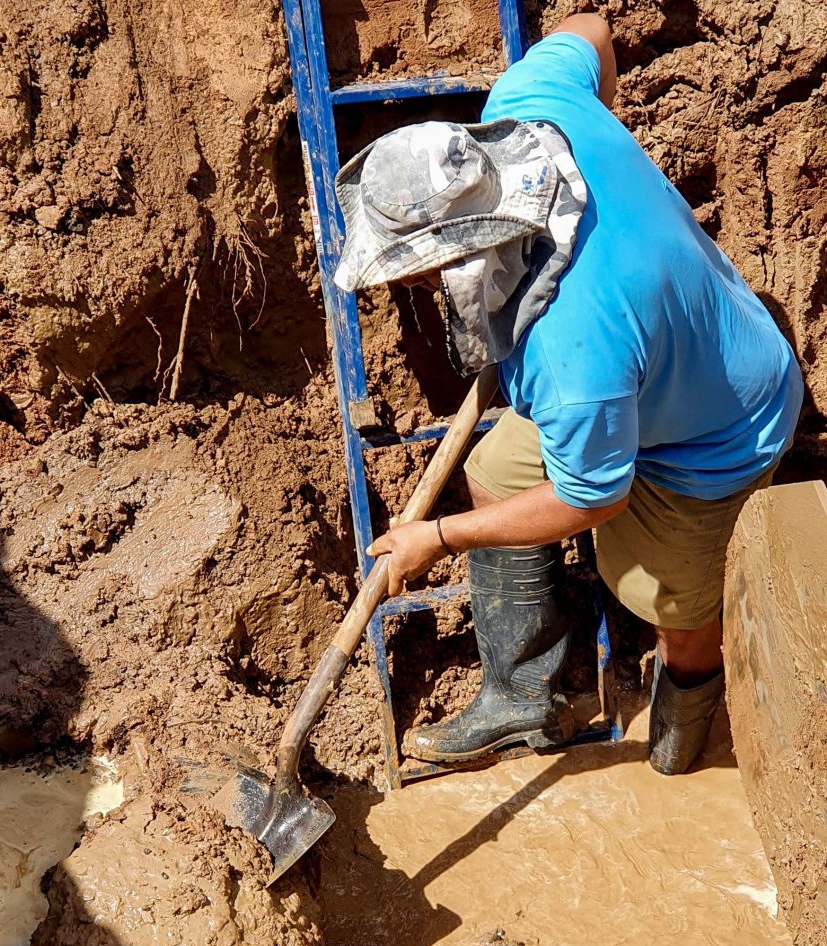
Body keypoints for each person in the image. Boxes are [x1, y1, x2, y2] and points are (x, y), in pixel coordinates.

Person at [331, 14, 803, 774]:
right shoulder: (535, 99)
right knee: (493, 473)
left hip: (718, 435)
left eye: (412, 268)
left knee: (674, 606)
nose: (406, 285)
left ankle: (688, 714)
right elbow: (592, 28)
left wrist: (438, 540)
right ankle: (524, 696)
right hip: (653, 367)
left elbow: (593, 498)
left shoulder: (572, 350)